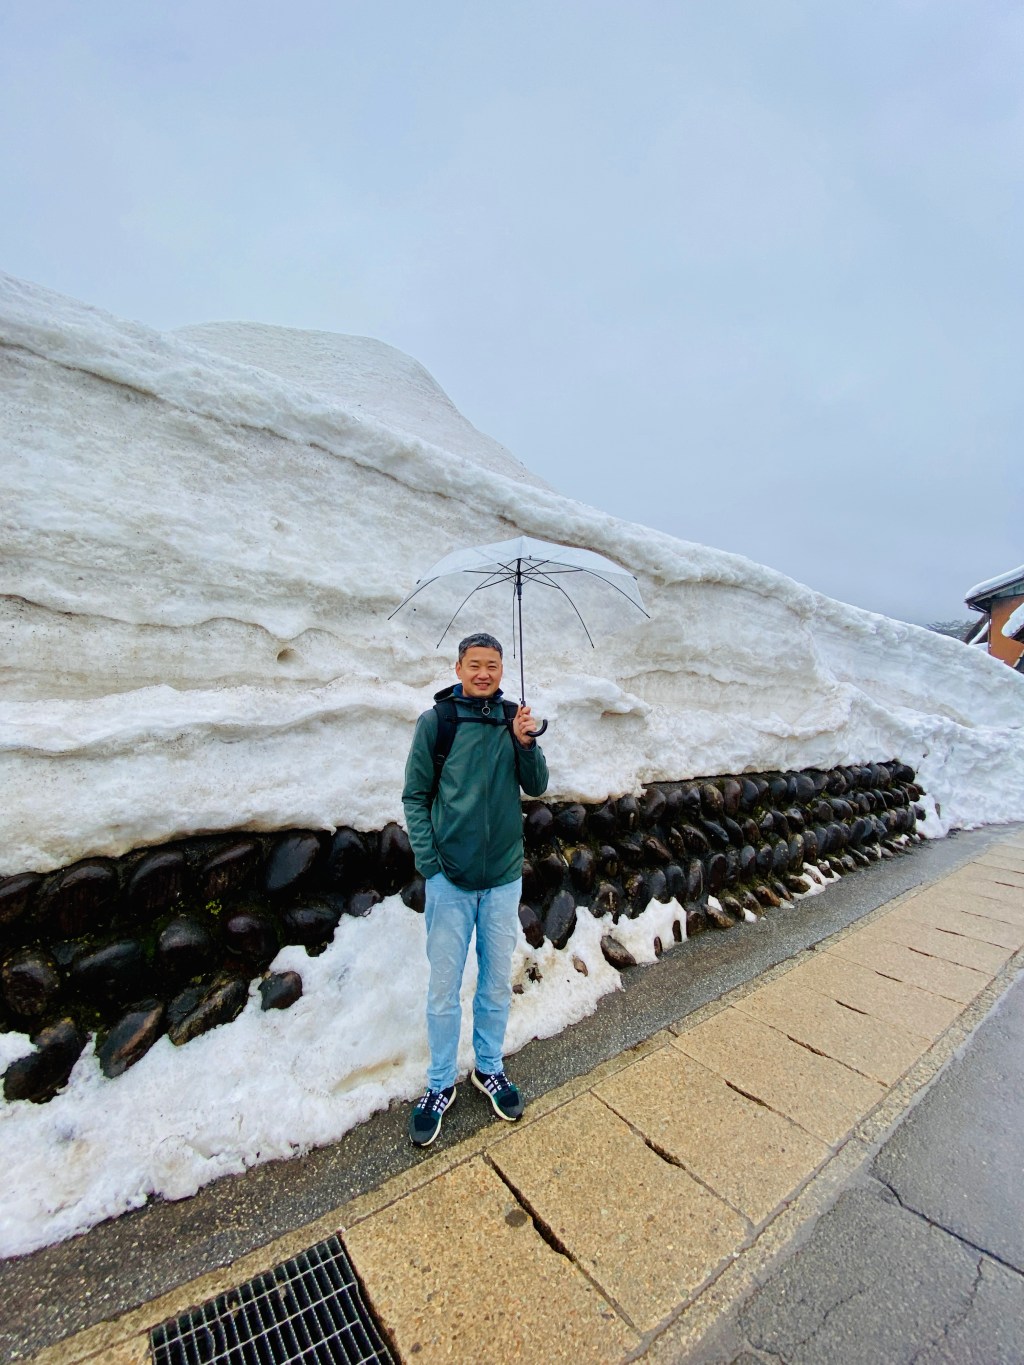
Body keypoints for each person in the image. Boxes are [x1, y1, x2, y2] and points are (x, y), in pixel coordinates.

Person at [402, 632, 549, 1146]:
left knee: (492, 984)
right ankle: (440, 1083)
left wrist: (527, 743)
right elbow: (415, 796)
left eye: (492, 665)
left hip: (504, 878)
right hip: (451, 881)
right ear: (459, 667)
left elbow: (536, 786)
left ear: (502, 670)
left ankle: (489, 1067)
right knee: (444, 990)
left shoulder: (514, 720)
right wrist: (431, 865)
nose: (484, 673)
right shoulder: (437, 723)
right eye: (475, 664)